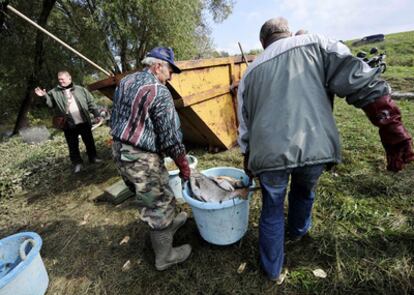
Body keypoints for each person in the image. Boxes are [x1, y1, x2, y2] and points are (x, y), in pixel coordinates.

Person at [237, 17, 414, 284]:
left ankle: (272, 272)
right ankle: (297, 231)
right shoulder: (317, 43)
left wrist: (246, 156)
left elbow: (245, 126)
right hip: (313, 146)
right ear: (286, 32)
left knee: (272, 208)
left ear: (263, 42)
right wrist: (392, 129)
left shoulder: (249, 73)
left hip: (269, 155)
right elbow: (362, 81)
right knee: (304, 190)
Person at [110, 47, 192, 271]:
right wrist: (184, 166)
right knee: (156, 203)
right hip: (140, 157)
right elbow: (171, 137)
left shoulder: (125, 81)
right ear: (157, 66)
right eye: (170, 70)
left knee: (157, 190)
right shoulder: (160, 91)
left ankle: (169, 224)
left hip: (119, 150)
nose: (171, 76)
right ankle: (165, 256)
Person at [35, 71, 103, 173]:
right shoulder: (54, 92)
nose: (60, 81)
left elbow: (91, 102)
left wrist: (97, 114)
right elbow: (50, 104)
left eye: (62, 79)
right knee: (72, 145)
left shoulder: (81, 89)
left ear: (69, 78)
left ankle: (93, 158)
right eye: (59, 80)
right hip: (68, 124)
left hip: (83, 121)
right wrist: (44, 96)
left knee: (89, 142)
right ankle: (77, 164)